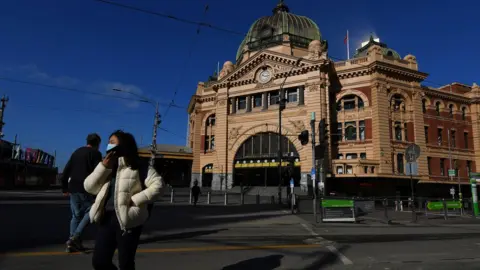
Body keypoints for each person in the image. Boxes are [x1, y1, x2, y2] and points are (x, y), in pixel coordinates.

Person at [84, 130, 164, 270]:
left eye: (112, 142)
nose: (109, 145)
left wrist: (136, 199)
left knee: (126, 264)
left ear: (123, 145)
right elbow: (89, 187)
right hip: (106, 218)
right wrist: (103, 167)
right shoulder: (108, 166)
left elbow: (159, 186)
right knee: (99, 262)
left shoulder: (140, 166)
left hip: (129, 220)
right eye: (108, 143)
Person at [61, 133, 102, 252]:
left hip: (73, 186)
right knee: (91, 211)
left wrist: (64, 187)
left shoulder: (76, 152)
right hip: (87, 187)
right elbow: (98, 173)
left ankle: (72, 243)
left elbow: (67, 170)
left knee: (76, 215)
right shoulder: (96, 154)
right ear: (97, 143)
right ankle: (75, 237)